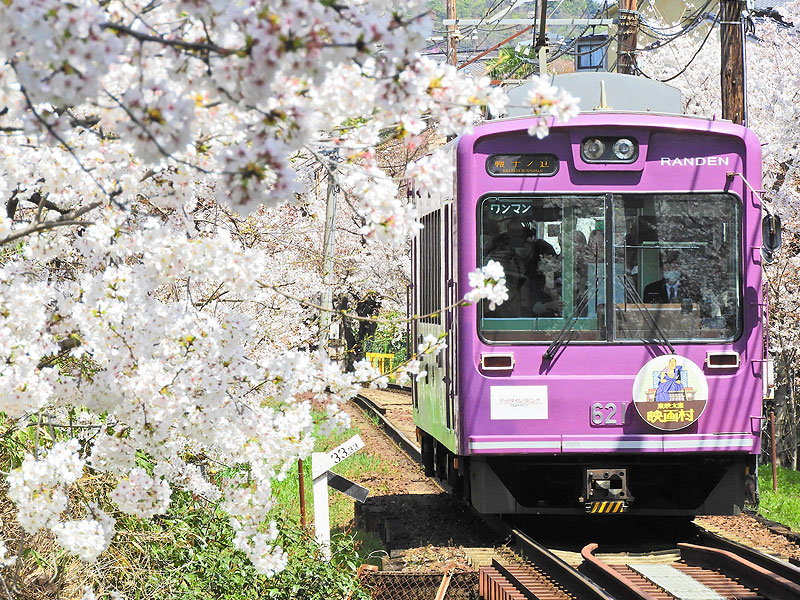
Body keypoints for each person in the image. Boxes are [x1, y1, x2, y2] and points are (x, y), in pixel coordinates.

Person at [529, 239, 563, 317]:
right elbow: (535, 307)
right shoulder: (536, 281)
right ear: (539, 262)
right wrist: (548, 305)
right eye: (549, 259)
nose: (554, 262)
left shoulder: (565, 277)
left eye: (554, 257)